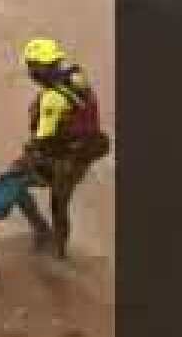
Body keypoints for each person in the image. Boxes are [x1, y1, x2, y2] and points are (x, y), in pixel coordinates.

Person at [9, 38, 110, 258]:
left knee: (13, 182)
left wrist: (26, 157)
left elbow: (43, 142)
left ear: (41, 68)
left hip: (65, 160)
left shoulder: (52, 99)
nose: (30, 72)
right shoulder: (76, 78)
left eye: (32, 67)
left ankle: (47, 238)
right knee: (60, 204)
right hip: (83, 154)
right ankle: (59, 249)